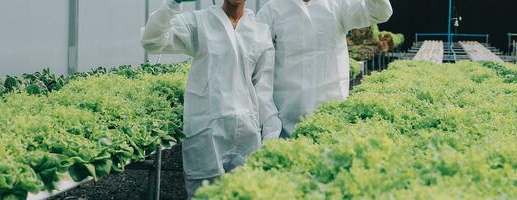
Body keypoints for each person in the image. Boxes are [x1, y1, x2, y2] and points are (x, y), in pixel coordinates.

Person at [141, 0, 282, 197]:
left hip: (247, 133)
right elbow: (151, 41)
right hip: (207, 131)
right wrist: (172, 4)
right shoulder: (200, 22)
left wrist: (271, 132)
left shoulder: (259, 31)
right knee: (204, 194)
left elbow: (263, 90)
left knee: (246, 192)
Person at [257, 0, 393, 137]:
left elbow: (380, 13)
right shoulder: (272, 9)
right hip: (286, 122)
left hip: (332, 118)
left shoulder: (338, 4)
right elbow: (261, 73)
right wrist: (270, 124)